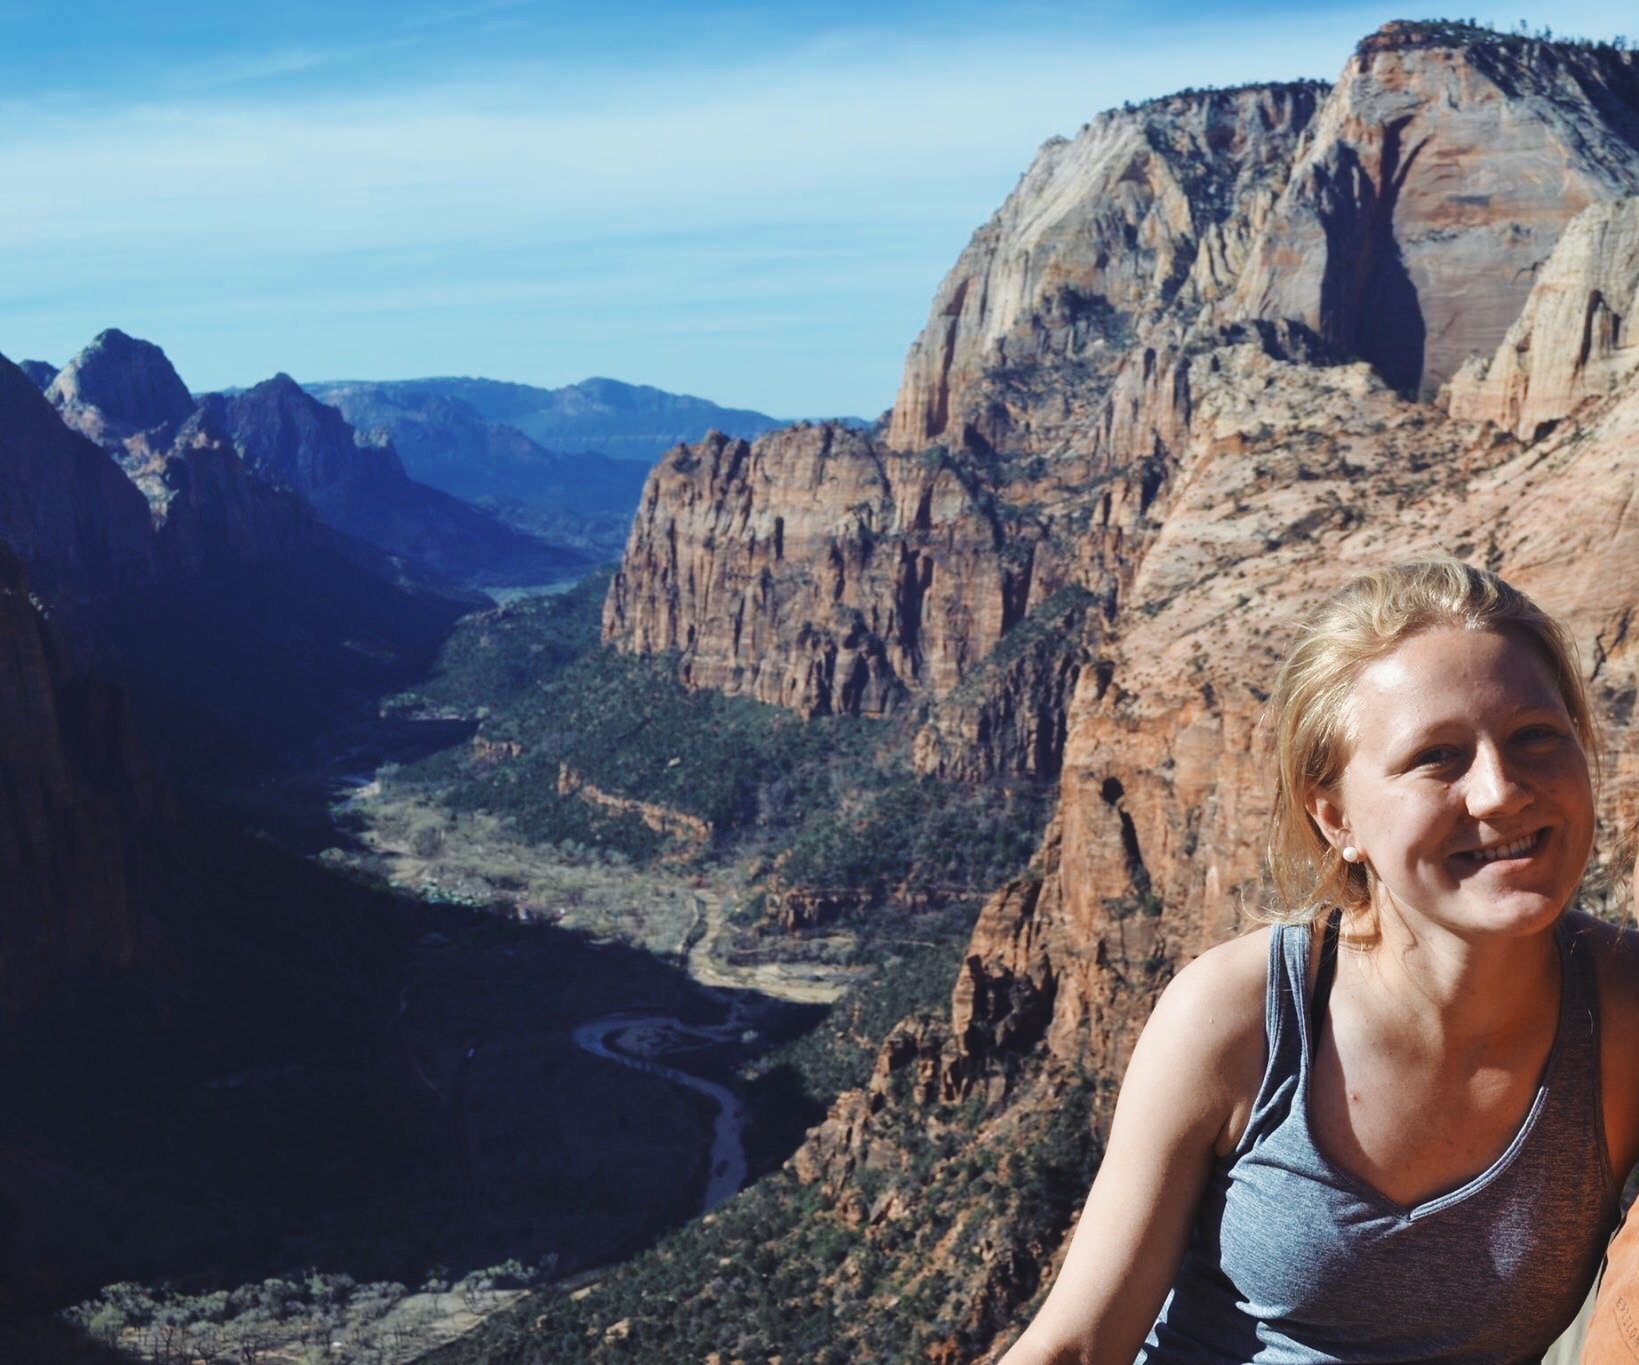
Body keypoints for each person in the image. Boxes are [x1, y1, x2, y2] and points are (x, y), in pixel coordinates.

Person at [1001, 559, 1639, 1364]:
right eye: (1436, 756)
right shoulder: (1237, 1015)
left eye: (1535, 735)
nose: (1499, 791)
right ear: (1335, 817)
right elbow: (1077, 1343)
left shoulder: (1620, 1009)